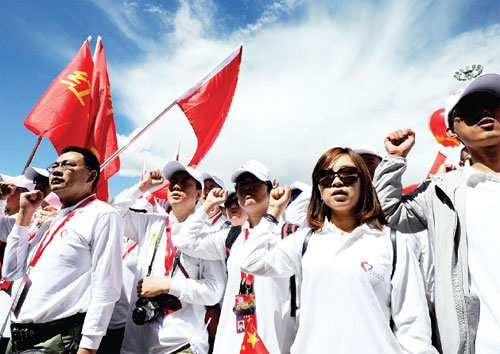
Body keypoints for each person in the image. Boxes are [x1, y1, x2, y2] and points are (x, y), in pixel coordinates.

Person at [238, 148, 437, 353]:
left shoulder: (393, 242)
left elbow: (413, 324)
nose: (337, 182)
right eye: (326, 177)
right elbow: (251, 261)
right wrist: (272, 212)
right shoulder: (305, 241)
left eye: (348, 175)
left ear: (363, 183)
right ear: (319, 189)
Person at [373, 73, 500, 353]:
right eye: (468, 111)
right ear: (452, 132)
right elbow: (388, 213)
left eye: (492, 102)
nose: (484, 112)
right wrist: (395, 159)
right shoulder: (442, 192)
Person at [2, 146, 123, 354]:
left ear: (91, 175)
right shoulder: (50, 219)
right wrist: (24, 216)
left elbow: (107, 285)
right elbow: (11, 272)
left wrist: (89, 346)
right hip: (18, 336)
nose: (56, 171)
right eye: (55, 166)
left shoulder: (103, 215)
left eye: (67, 165)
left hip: (55, 339)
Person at [177, 160, 296, 354]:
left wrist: (272, 214)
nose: (247, 188)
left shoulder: (288, 234)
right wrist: (207, 207)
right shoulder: (232, 236)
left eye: (254, 182)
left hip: (275, 341)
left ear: (270, 189)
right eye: (241, 185)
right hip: (232, 341)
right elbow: (185, 241)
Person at [111, 161, 225, 354]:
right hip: (136, 343)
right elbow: (112, 214)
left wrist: (168, 285)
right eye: (173, 182)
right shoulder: (150, 223)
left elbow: (214, 291)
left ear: (199, 194)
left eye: (185, 182)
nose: (177, 186)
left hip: (182, 344)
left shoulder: (208, 235)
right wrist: (142, 187)